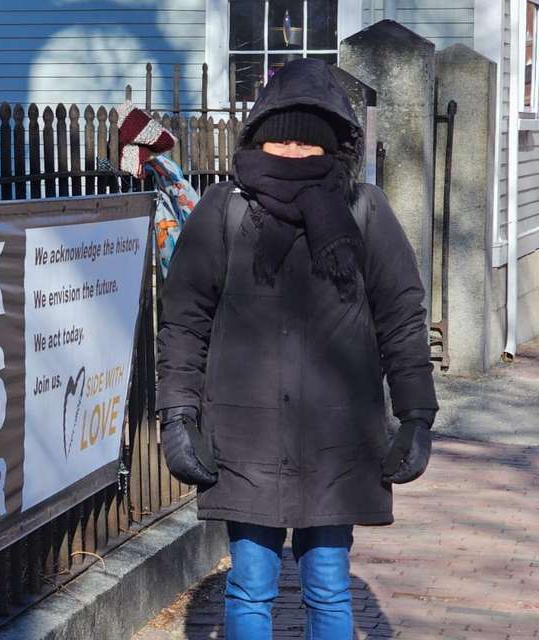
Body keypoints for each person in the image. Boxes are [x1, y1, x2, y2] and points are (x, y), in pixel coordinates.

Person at [155, 58, 438, 640]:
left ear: (335, 145)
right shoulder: (224, 210)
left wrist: (416, 415)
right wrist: (178, 415)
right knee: (250, 587)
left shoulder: (365, 212)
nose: (291, 150)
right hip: (245, 437)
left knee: (329, 587)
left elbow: (402, 316)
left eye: (307, 139)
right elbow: (184, 321)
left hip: (338, 441)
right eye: (279, 134)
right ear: (257, 135)